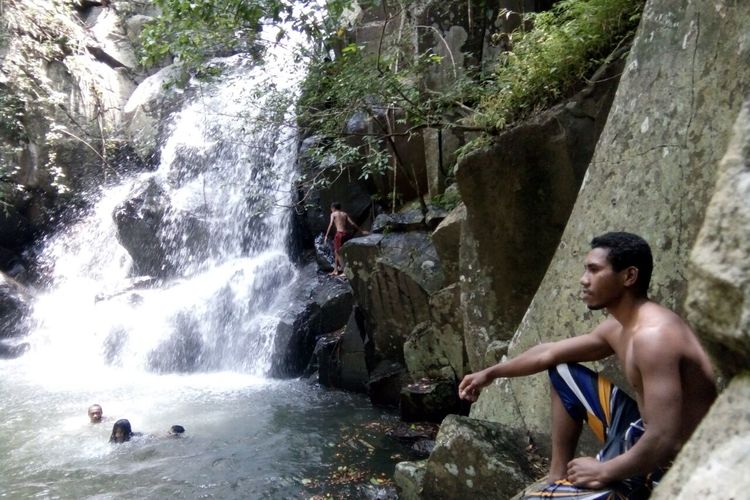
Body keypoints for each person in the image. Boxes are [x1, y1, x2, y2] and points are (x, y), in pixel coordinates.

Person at [458, 232, 717, 498]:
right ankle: (556, 477)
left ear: (629, 276)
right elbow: (548, 353)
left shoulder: (654, 337)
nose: (583, 280)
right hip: (643, 434)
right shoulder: (620, 327)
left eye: (594, 270)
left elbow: (665, 438)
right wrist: (489, 373)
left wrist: (604, 470)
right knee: (562, 370)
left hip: (674, 467)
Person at [323, 202, 367, 276]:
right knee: (337, 252)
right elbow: (352, 223)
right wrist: (361, 231)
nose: (331, 210)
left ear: (333, 208)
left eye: (331, 209)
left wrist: (326, 235)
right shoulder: (344, 214)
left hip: (339, 234)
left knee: (338, 253)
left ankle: (344, 271)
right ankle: (336, 270)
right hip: (346, 234)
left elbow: (330, 224)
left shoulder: (333, 214)